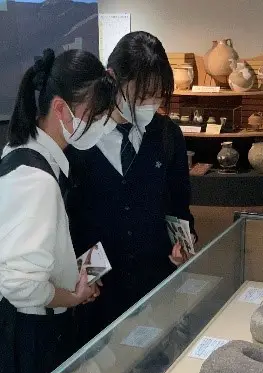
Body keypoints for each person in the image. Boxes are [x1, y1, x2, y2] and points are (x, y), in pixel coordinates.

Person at [0, 48, 115, 373]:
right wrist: (72, 297)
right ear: (61, 108)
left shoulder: (26, 151)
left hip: (31, 328)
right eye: (94, 112)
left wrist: (72, 277)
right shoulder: (35, 179)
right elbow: (22, 284)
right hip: (32, 333)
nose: (102, 122)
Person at [67, 31, 196, 346]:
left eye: (158, 96)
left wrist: (184, 248)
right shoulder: (79, 139)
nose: (150, 104)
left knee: (155, 370)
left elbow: (179, 208)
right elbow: (67, 220)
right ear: (112, 79)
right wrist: (76, 280)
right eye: (142, 95)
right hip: (96, 293)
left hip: (154, 286)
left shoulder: (167, 137)